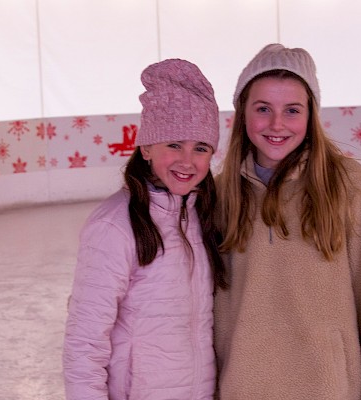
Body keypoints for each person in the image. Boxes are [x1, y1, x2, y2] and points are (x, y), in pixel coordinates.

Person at [213, 43, 361, 399]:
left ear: (310, 115)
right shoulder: (219, 195)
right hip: (245, 387)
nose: (276, 124)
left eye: (292, 110)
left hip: (328, 387)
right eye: (263, 109)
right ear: (243, 113)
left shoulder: (348, 184)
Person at [62, 58, 227, 400]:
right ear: (147, 147)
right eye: (173, 144)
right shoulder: (114, 227)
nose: (187, 160)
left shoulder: (204, 216)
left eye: (200, 147)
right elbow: (85, 342)